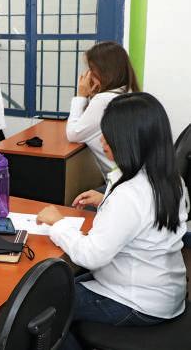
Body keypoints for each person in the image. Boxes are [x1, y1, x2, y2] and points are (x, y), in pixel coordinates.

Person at [37, 93, 188, 350]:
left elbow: (91, 256)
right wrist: (105, 200)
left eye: (108, 136)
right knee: (58, 287)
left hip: (137, 302)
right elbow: (144, 216)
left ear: (130, 141)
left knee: (42, 306)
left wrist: (58, 223)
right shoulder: (170, 179)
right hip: (166, 292)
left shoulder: (129, 196)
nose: (102, 141)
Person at [66, 41, 140, 175]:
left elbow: (73, 134)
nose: (88, 74)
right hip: (133, 175)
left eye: (91, 69)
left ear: (104, 71)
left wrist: (81, 96)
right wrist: (92, 97)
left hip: (119, 179)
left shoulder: (103, 100)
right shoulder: (129, 91)